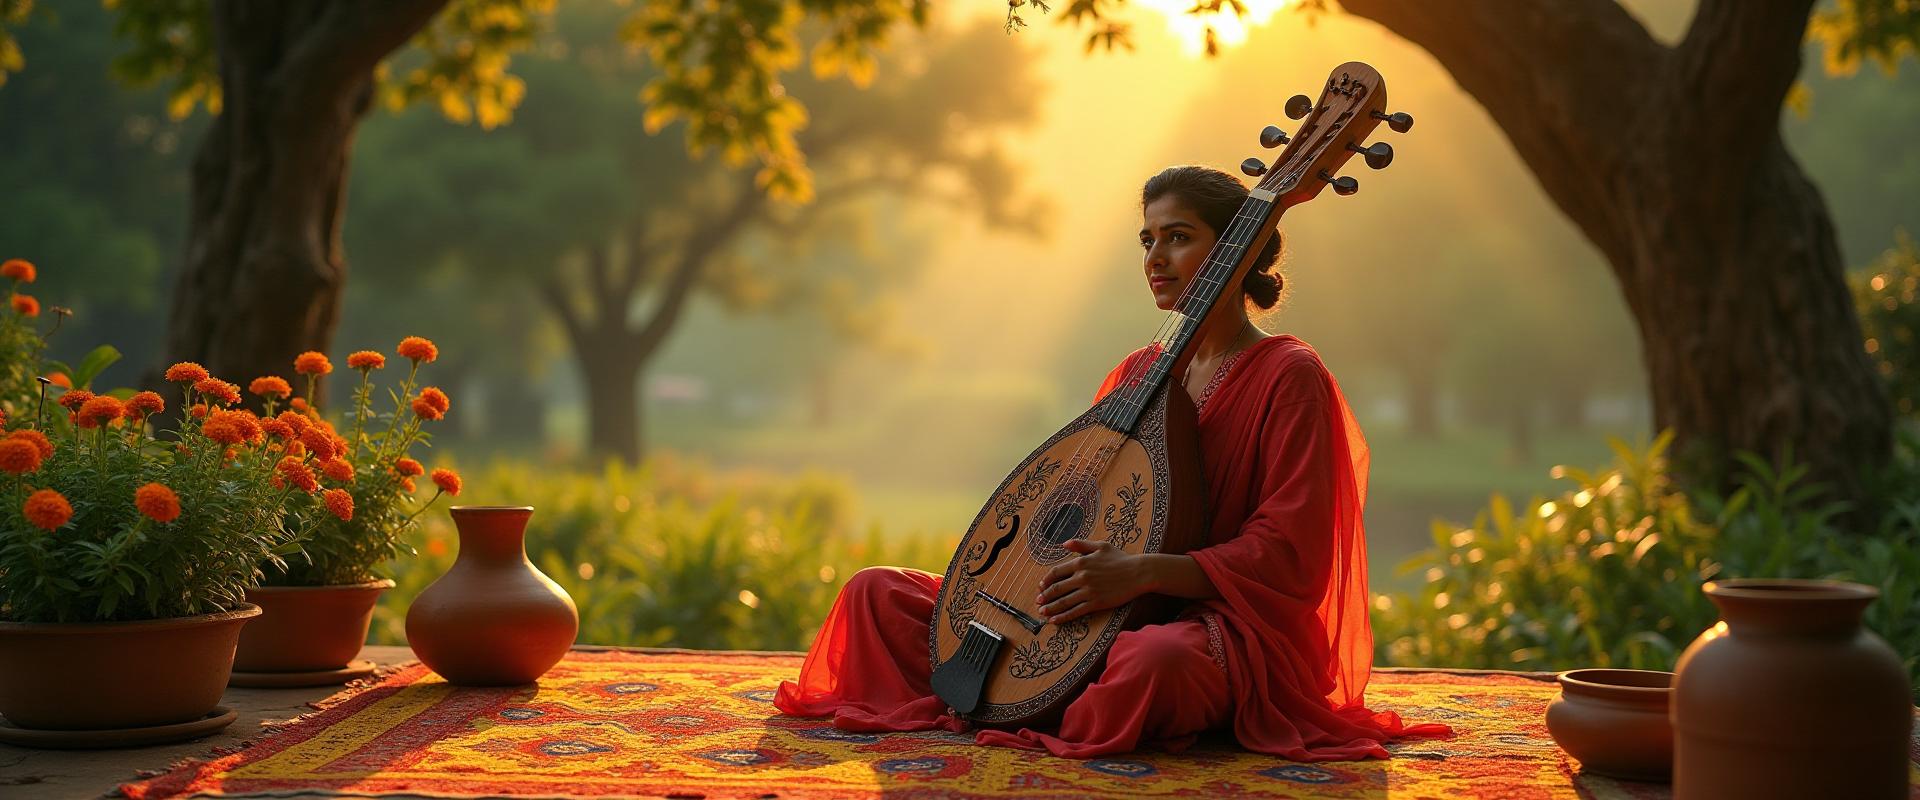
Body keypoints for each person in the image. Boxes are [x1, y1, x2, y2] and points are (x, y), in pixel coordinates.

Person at [774, 165, 1451, 760]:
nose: (1156, 256)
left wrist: (1143, 575)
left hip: (1212, 624)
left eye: (1179, 236)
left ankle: (1035, 696)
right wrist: (1053, 578)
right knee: (874, 593)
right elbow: (1080, 490)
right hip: (1092, 613)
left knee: (1151, 661)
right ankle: (1038, 689)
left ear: (1236, 252)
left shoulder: (1290, 375)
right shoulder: (1141, 370)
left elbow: (1292, 553)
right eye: (1147, 239)